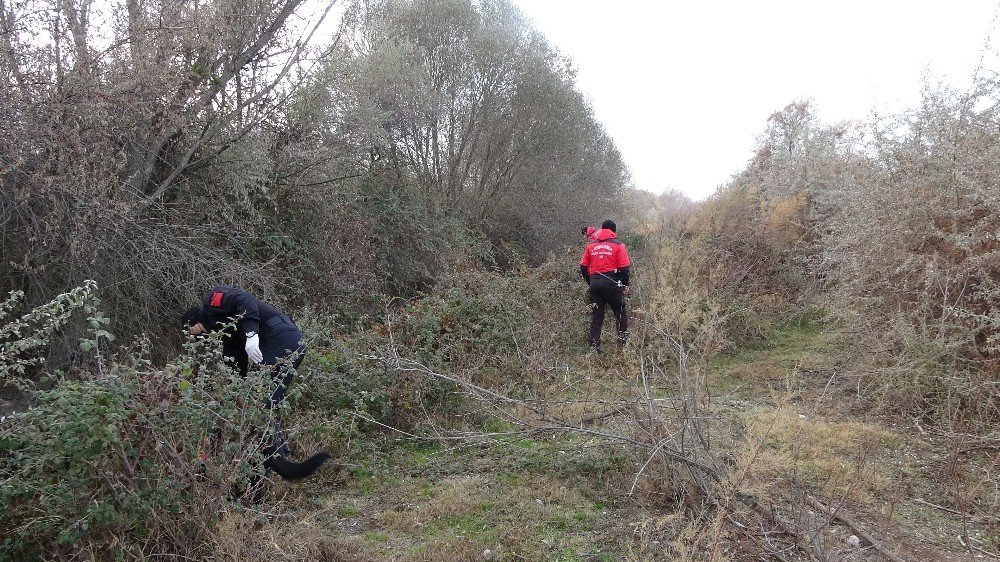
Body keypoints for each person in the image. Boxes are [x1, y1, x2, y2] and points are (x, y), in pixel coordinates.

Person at [182, 286, 328, 480]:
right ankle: (278, 456)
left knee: (259, 403)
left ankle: (277, 459)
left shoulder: (211, 301)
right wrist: (230, 401)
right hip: (287, 341)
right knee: (261, 402)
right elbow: (238, 375)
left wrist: (251, 334)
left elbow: (244, 299)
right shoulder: (227, 335)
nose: (198, 337)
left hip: (281, 338)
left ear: (195, 322)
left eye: (194, 332)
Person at [579, 219, 631, 352]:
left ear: (601, 229)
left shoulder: (591, 245)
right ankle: (622, 345)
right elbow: (624, 268)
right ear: (613, 231)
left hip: (595, 283)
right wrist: (624, 285)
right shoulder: (619, 245)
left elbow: (583, 266)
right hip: (612, 283)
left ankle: (594, 347)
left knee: (597, 315)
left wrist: (591, 282)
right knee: (620, 313)